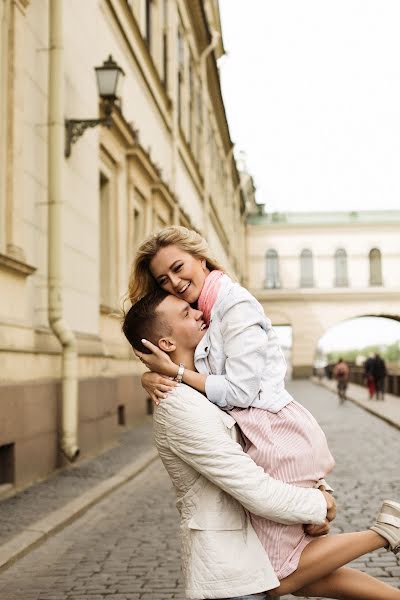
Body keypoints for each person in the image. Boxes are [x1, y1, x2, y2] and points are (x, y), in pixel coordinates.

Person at [122, 289, 400, 600]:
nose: (200, 313)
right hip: (231, 567)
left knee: (298, 574)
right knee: (299, 575)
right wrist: (320, 505)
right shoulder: (180, 406)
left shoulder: (215, 381)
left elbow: (274, 441)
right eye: (187, 313)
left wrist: (319, 490)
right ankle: (385, 536)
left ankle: (387, 543)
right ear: (167, 343)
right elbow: (256, 490)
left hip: (248, 554)